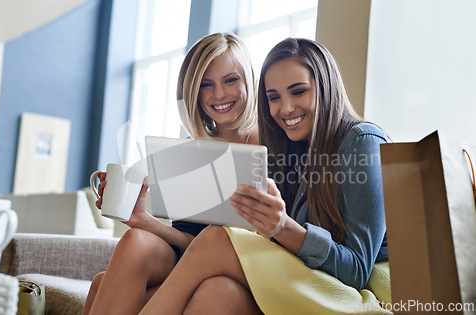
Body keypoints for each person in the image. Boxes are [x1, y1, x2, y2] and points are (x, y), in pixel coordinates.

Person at [138, 38, 391, 314]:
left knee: (216, 239)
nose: (285, 108)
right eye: (274, 97)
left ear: (325, 87)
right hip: (304, 277)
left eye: (299, 91)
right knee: (217, 291)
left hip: (342, 290)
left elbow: (357, 269)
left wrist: (282, 227)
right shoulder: (292, 148)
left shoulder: (362, 141)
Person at [83, 32, 258, 315]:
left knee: (103, 285)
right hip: (192, 261)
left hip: (244, 268)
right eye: (206, 85)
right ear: (192, 91)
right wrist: (142, 219)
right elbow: (189, 240)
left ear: (249, 79)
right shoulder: (190, 153)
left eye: (231, 80)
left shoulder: (273, 143)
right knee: (135, 241)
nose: (219, 94)